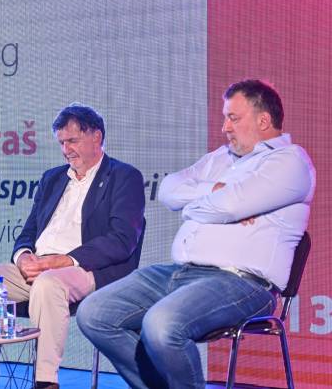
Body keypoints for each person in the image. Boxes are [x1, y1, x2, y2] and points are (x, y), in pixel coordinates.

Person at [76, 79, 316, 389]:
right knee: (94, 313)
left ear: (263, 120)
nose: (224, 127)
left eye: (233, 117)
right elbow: (169, 189)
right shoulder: (221, 158)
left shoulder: (290, 161)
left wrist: (197, 206)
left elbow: (229, 205)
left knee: (162, 324)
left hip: (243, 284)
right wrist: (217, 192)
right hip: (181, 273)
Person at [0, 104, 146, 389]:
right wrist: (23, 256)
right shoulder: (53, 178)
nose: (66, 150)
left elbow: (122, 240)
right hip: (39, 265)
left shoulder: (124, 177)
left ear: (97, 136)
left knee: (48, 283)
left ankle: (45, 381)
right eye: (61, 143)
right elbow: (28, 231)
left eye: (72, 141)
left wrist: (60, 261)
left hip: (85, 269)